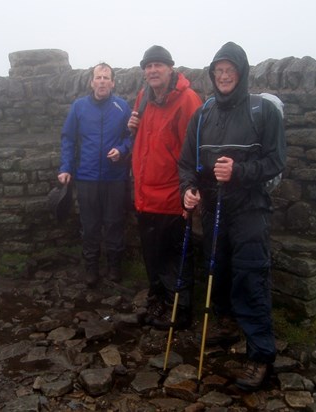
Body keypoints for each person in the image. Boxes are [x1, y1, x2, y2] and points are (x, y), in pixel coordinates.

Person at [178, 42, 286, 391]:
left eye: (230, 71)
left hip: (250, 208)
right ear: (213, 75)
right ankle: (224, 326)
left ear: (241, 74)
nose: (224, 77)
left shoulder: (262, 111)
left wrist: (238, 172)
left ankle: (260, 357)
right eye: (218, 71)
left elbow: (275, 162)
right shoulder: (204, 113)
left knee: (250, 276)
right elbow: (187, 164)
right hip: (214, 207)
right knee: (217, 267)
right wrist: (189, 188)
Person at [128, 46, 202, 330]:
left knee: (176, 258)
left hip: (173, 196)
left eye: (158, 65)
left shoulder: (187, 100)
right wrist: (131, 127)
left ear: (171, 68)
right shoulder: (143, 96)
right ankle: (157, 301)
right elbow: (143, 140)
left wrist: (191, 191)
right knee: (152, 256)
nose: (153, 71)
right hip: (145, 194)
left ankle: (180, 311)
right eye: (148, 66)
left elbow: (195, 150)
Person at [58, 62, 132, 287]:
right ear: (92, 82)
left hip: (115, 178)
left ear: (113, 83)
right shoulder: (79, 107)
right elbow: (68, 139)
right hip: (87, 177)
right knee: (89, 225)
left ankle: (114, 267)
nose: (102, 82)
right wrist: (65, 168)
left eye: (106, 78)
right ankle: (91, 268)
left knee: (114, 223)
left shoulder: (122, 107)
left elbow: (132, 136)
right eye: (98, 78)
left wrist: (121, 150)